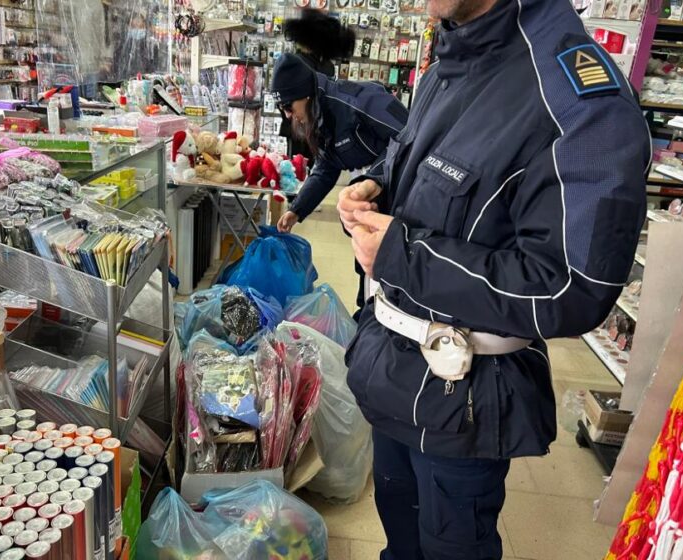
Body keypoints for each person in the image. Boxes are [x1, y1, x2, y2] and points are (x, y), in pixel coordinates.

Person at [337, 0, 650, 557]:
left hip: (463, 399)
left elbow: (571, 287)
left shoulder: (580, 103)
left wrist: (402, 255)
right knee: (399, 538)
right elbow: (423, 167)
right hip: (393, 372)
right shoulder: (452, 56)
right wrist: (375, 187)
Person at [270, 54, 408, 315]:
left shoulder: (359, 101)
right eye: (281, 108)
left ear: (305, 95)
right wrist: (297, 209)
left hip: (402, 192)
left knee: (390, 269)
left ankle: (380, 316)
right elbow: (326, 167)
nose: (288, 116)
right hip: (373, 197)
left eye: (288, 106)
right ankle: (367, 312)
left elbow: (409, 137)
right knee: (367, 263)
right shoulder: (319, 115)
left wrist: (374, 178)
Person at [277, 10, 356, 163]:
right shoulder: (325, 65)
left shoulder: (298, 63)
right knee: (307, 164)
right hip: (310, 126)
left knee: (302, 166)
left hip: (307, 126)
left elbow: (284, 98)